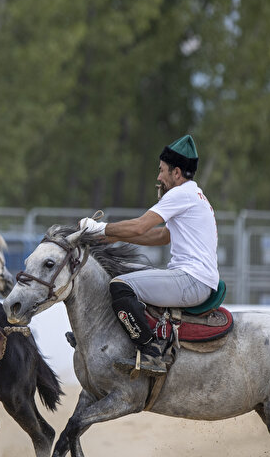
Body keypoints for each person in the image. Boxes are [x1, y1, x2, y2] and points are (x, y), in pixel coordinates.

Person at [78, 134, 219, 377]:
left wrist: (99, 229)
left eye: (162, 170)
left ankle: (152, 352)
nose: (158, 177)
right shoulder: (195, 195)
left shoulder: (180, 194)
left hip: (191, 280)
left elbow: (140, 227)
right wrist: (116, 236)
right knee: (123, 276)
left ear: (176, 173)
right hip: (197, 279)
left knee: (120, 286)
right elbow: (161, 237)